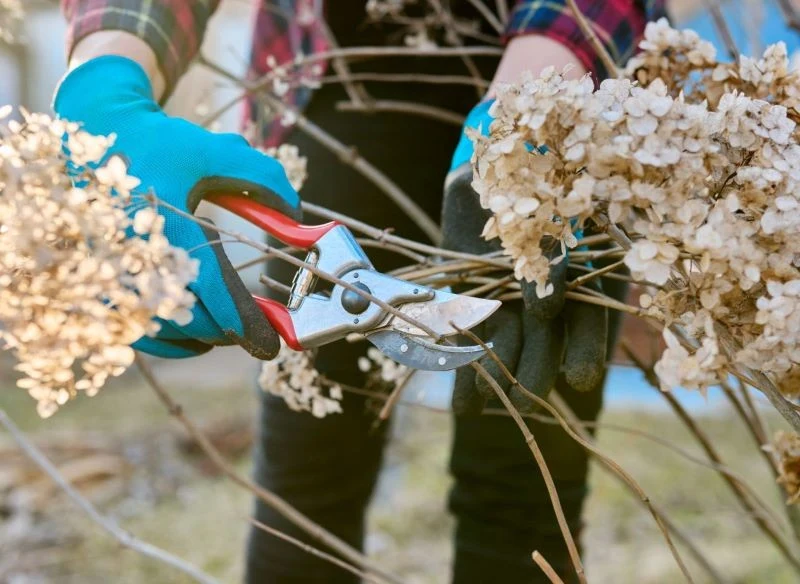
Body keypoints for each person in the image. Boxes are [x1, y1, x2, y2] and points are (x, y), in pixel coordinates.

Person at [56, 1, 664, 582]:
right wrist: (105, 86)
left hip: (562, 98)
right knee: (308, 475)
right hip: (336, 73)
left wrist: (535, 101)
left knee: (526, 482)